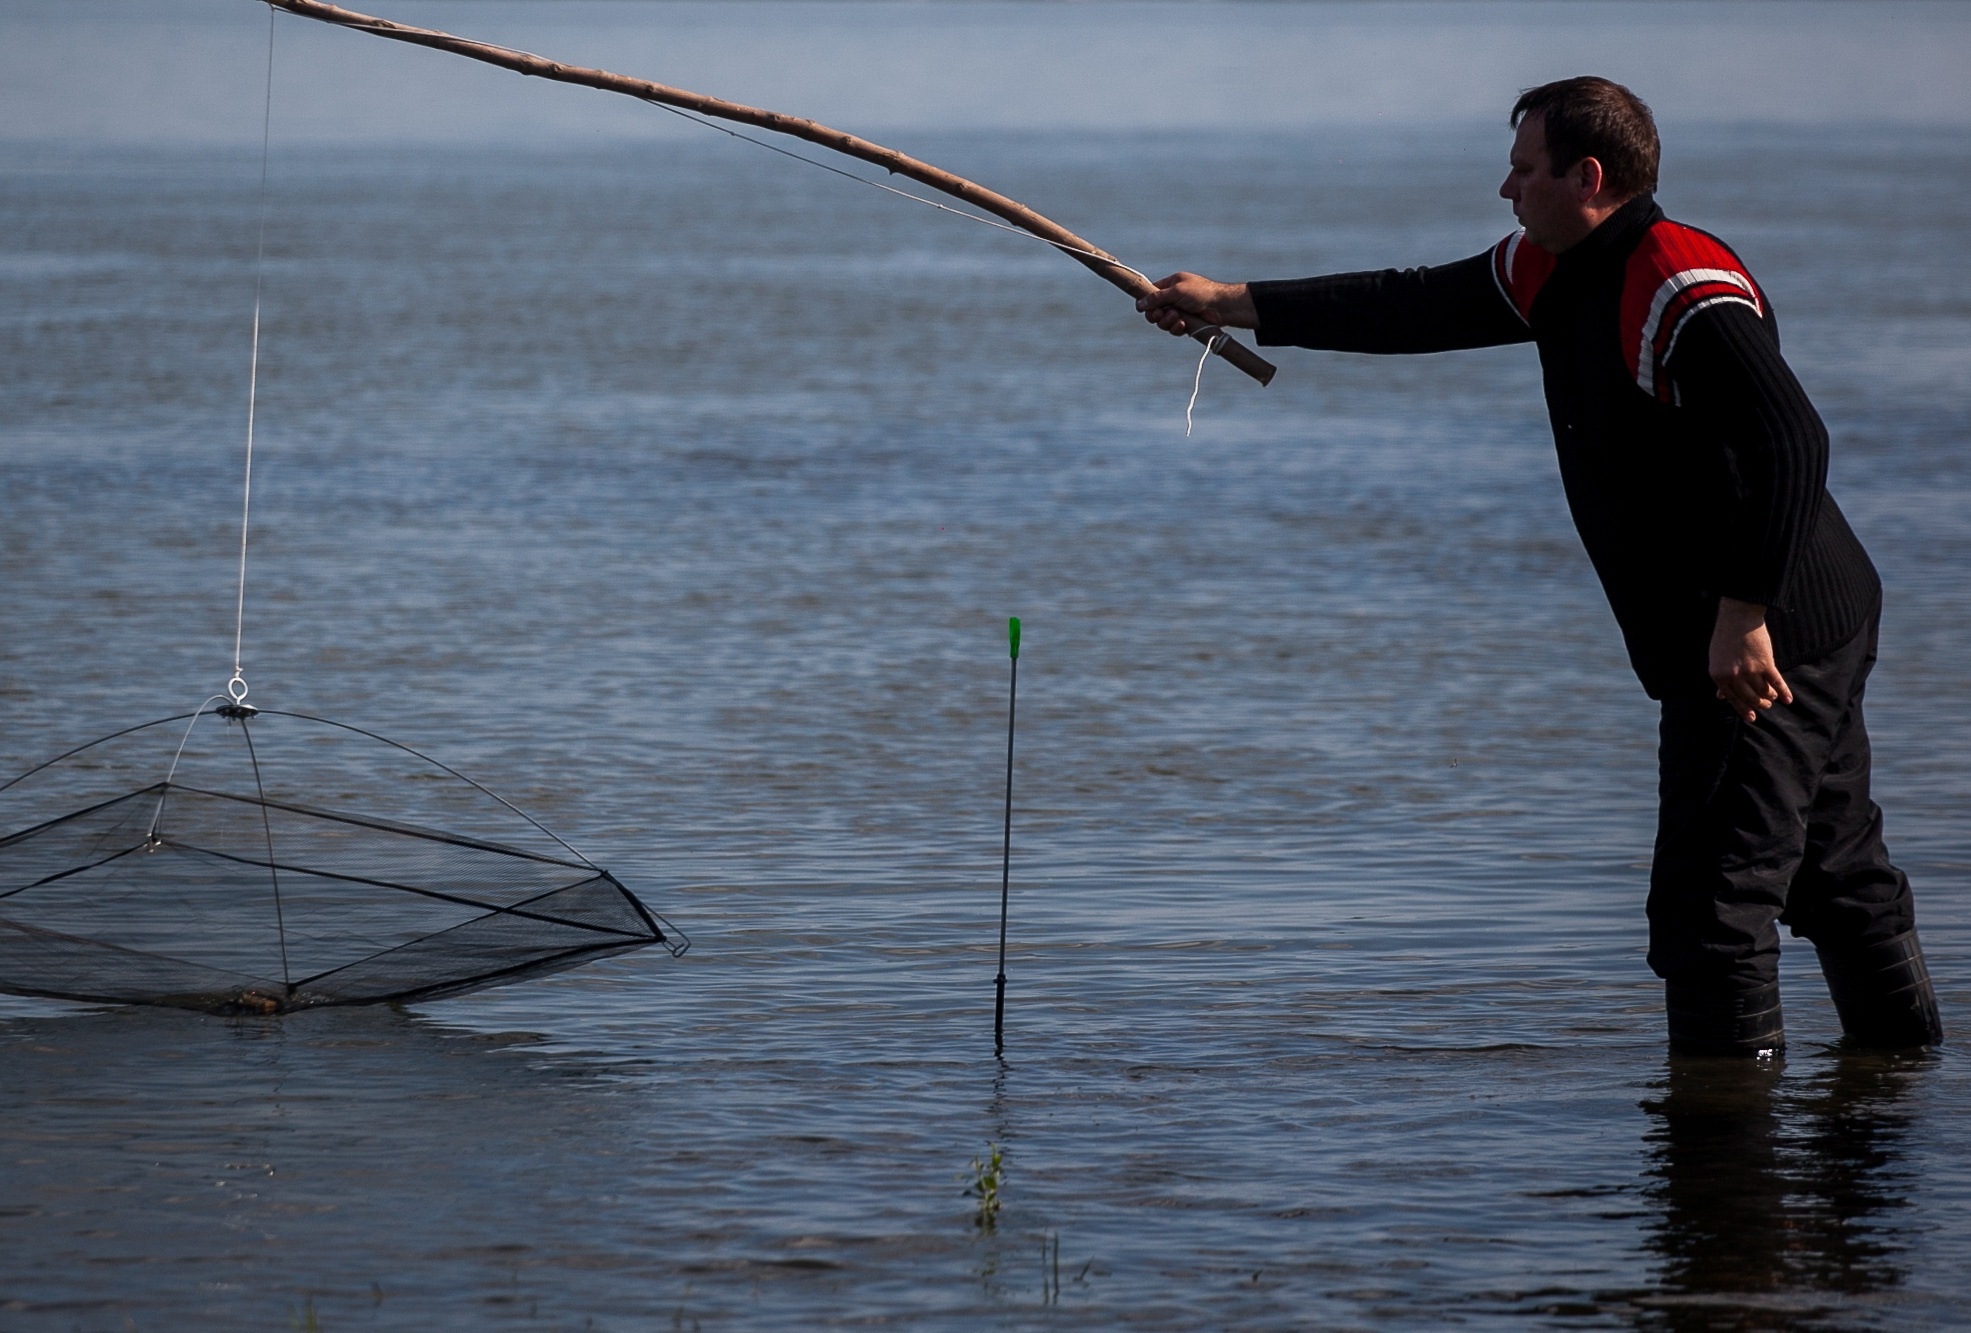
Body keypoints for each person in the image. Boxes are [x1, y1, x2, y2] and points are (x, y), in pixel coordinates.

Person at [1138, 76, 1942, 1056]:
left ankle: (1726, 1185)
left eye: (1524, 169)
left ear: (1586, 176)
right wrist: (1231, 302)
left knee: (1711, 914)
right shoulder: (1550, 266)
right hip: (1791, 616)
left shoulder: (1675, 280)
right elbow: (1412, 304)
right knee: (1833, 873)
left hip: (1764, 638)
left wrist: (1744, 611)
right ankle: (1896, 1120)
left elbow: (1791, 438)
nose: (1506, 189)